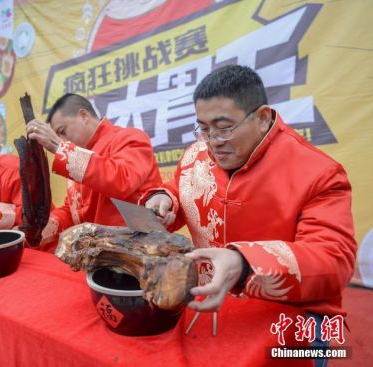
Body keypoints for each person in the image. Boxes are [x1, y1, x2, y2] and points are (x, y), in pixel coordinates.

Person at [143, 65, 356, 356]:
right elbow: (180, 187)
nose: (213, 141)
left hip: (291, 311)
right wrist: (163, 198)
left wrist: (245, 263)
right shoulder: (197, 153)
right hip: (209, 300)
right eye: (204, 128)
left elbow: (334, 260)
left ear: (262, 117)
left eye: (224, 127)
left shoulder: (319, 173)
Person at [26, 93, 162, 251]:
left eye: (62, 131)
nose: (62, 140)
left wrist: (60, 148)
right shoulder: (77, 154)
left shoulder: (129, 137)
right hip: (99, 254)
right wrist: (44, 226)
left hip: (139, 251)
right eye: (58, 137)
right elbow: (73, 210)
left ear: (84, 115)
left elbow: (123, 180)